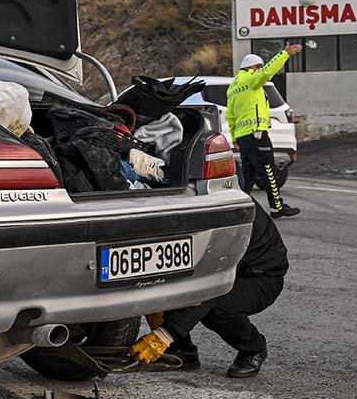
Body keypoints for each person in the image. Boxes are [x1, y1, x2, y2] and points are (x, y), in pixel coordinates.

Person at [129, 199, 288, 378]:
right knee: (158, 283)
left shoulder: (229, 214)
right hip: (221, 269)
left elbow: (213, 282)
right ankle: (182, 351)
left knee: (217, 308)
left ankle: (254, 348)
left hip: (260, 277)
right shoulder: (186, 203)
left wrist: (165, 335)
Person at [227, 44, 303, 218]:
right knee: (269, 170)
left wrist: (234, 137)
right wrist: (284, 54)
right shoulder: (251, 79)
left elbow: (230, 116)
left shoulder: (233, 87)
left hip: (243, 136)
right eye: (259, 67)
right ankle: (277, 207)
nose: (260, 70)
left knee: (248, 174)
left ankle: (240, 207)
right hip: (256, 134)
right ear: (254, 67)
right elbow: (268, 72)